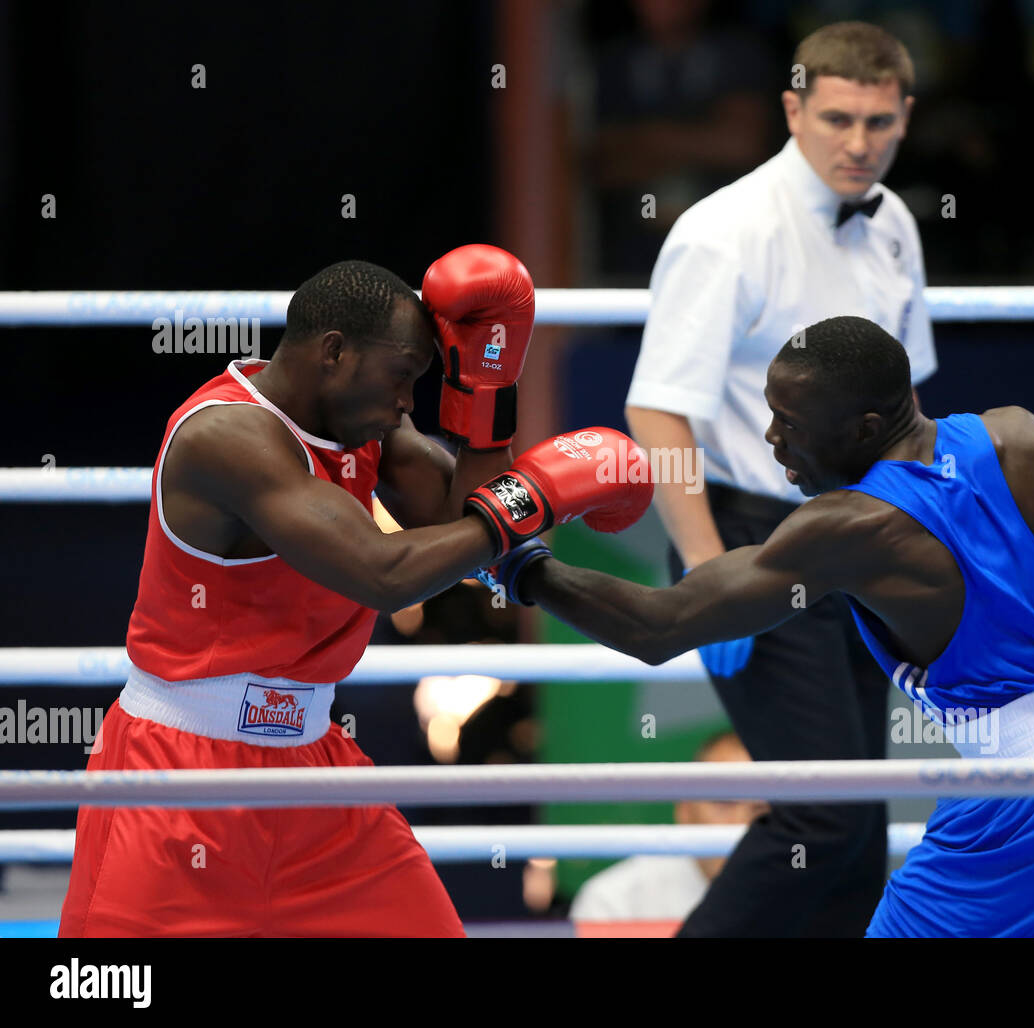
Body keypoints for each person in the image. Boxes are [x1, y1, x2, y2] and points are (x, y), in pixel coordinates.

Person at [501, 315, 1034, 938]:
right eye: (771, 411)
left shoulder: (852, 525)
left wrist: (520, 560)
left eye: (793, 424)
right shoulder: (1018, 434)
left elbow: (659, 627)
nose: (773, 438)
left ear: (866, 428)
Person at [58, 250, 652, 937]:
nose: (407, 401)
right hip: (179, 777)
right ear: (334, 352)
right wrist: (535, 493)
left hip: (314, 773)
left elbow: (468, 525)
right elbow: (385, 570)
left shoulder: (367, 426)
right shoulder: (226, 437)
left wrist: (490, 395)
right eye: (402, 377)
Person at [622, 20, 936, 937]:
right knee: (821, 812)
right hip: (757, 537)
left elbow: (907, 404)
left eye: (878, 121)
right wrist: (711, 567)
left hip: (867, 538)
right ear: (793, 109)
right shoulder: (725, 232)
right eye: (837, 117)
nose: (858, 141)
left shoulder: (895, 225)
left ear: (905, 116)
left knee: (860, 824)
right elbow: (656, 411)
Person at [568, 731, 766, 926]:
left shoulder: (793, 896)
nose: (741, 824)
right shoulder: (615, 902)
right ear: (685, 810)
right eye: (723, 803)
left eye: (759, 810)